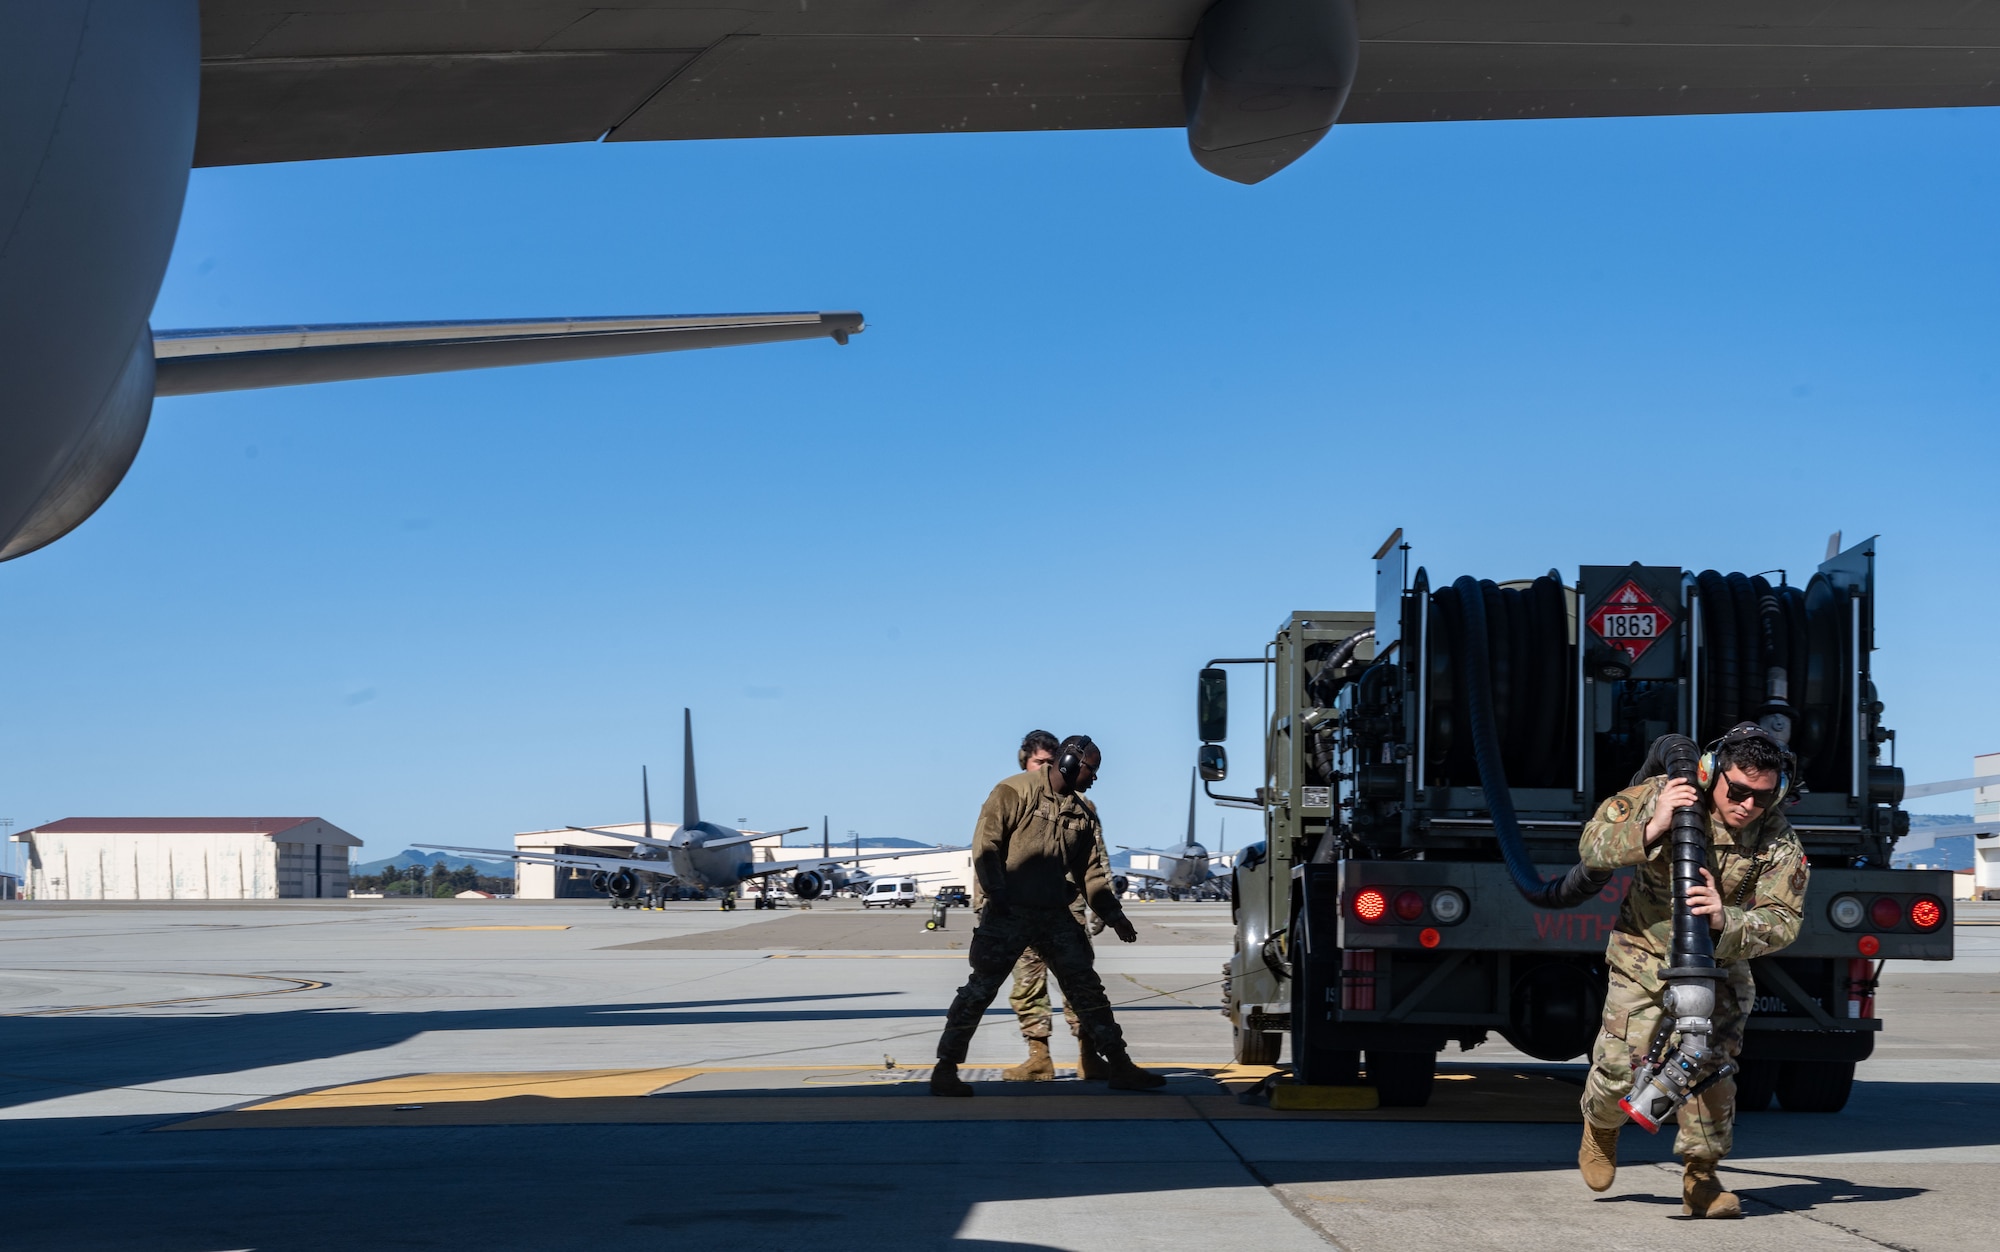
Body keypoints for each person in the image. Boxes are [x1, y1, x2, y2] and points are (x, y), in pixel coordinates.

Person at [1575, 723, 1810, 1218]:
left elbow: (1785, 921)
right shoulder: (1666, 793)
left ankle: (1700, 1179)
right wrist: (1653, 826)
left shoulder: (1777, 839)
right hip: (1644, 954)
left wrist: (1729, 919)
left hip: (1717, 964)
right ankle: (1599, 1126)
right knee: (1621, 1069)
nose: (1747, 805)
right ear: (1711, 773)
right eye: (1738, 790)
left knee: (1710, 1072)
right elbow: (1592, 847)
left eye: (1762, 797)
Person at [932, 735, 1165, 1096]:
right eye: (1092, 769)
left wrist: (1114, 914)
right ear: (1070, 763)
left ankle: (1119, 1064)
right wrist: (997, 894)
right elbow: (986, 845)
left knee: (1087, 989)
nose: (1094, 778)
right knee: (979, 989)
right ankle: (945, 1068)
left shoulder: (1081, 814)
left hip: (1054, 914)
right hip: (1009, 910)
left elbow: (1091, 872)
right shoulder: (1013, 792)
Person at [997, 730, 1109, 1082]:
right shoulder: (1014, 797)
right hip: (1019, 908)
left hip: (1067, 908)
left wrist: (1103, 907)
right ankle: (1038, 1056)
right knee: (1027, 984)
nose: (1045, 768)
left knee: (1079, 982)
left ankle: (1088, 1055)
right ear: (1024, 763)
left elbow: (1096, 862)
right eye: (1038, 762)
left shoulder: (1083, 808)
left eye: (1050, 761)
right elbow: (991, 851)